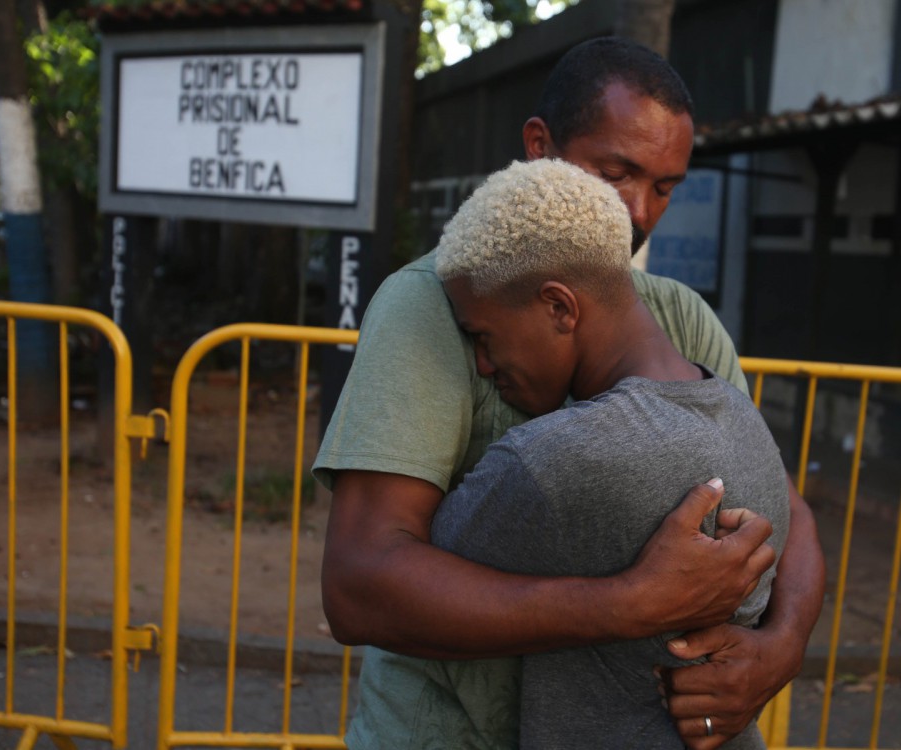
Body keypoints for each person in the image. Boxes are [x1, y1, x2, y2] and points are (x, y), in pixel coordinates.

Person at [316, 36, 825, 749]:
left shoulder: (679, 317)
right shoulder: (433, 305)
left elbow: (778, 506)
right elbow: (361, 582)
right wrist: (623, 605)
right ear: (538, 146)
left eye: (665, 186)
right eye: (616, 171)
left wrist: (780, 649)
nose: (639, 211)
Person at [428, 157, 790, 749]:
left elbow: (399, 586)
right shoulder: (743, 420)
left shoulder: (555, 460)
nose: (483, 366)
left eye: (483, 336)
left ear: (559, 307)